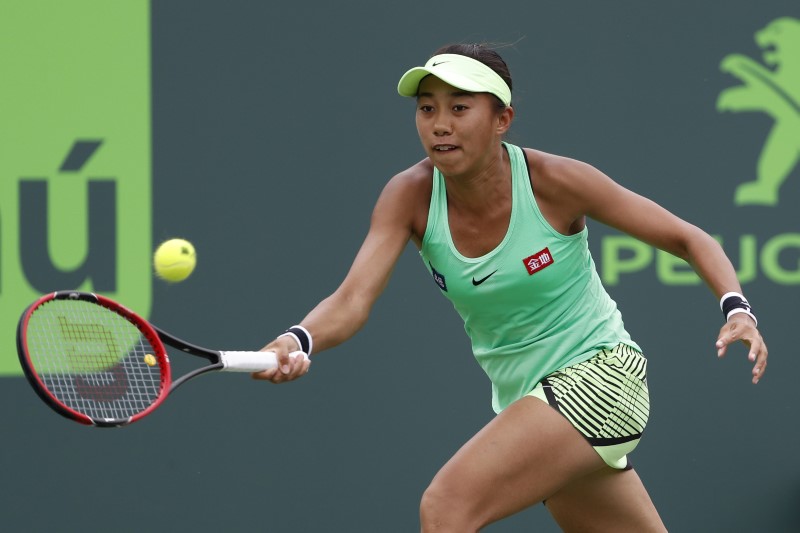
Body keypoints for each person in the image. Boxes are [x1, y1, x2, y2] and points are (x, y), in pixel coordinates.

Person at [253, 43, 768, 531]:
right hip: (527, 399)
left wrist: (737, 308)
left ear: (503, 119)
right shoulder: (408, 195)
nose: (439, 125)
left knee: (446, 505)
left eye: (459, 108)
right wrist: (297, 340)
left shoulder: (556, 181)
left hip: (604, 377)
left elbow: (687, 237)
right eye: (427, 109)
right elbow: (351, 299)